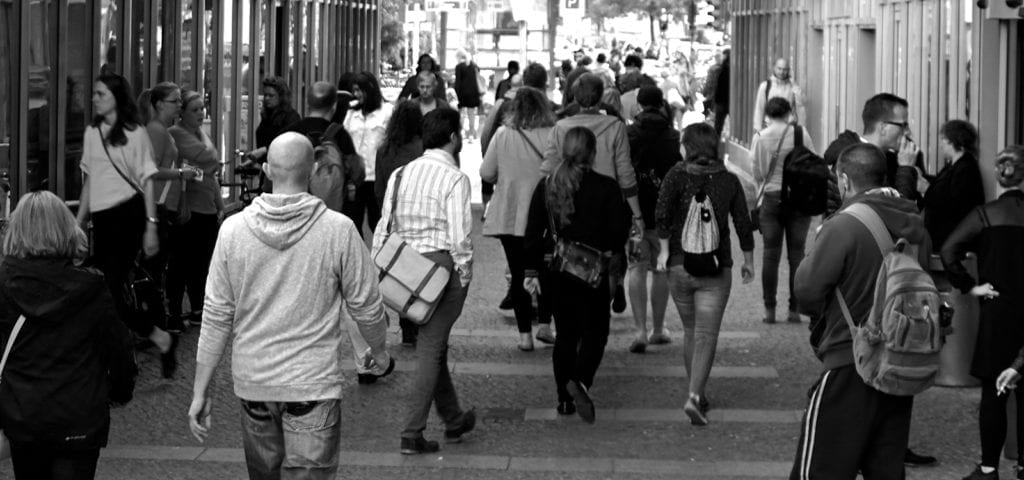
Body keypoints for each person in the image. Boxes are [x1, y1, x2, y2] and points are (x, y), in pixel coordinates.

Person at [188, 132, 393, 478]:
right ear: (312, 169)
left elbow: (217, 315)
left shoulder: (233, 231)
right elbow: (367, 307)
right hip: (312, 385)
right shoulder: (338, 231)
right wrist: (380, 351)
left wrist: (200, 391)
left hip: (255, 383)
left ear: (267, 169)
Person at [789, 143, 932, 479]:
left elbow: (807, 291)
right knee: (885, 469)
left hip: (849, 359)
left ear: (843, 180)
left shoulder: (844, 226)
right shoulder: (915, 225)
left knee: (819, 469)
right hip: (899, 365)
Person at [0, 191, 137, 480]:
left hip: (23, 418)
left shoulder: (4, 286)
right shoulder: (91, 287)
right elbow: (119, 350)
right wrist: (118, 393)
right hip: (80, 420)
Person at [372, 108, 476, 455]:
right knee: (431, 349)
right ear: (452, 137)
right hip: (439, 269)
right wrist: (464, 274)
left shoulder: (401, 173)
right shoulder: (455, 179)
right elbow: (459, 237)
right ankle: (412, 432)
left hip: (404, 267)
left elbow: (384, 225)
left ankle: (453, 418)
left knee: (435, 346)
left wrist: (378, 267)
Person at [523, 126, 631, 423]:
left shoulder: (547, 185)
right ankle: (581, 380)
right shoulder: (607, 187)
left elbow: (532, 233)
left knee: (566, 335)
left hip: (556, 272)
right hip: (593, 272)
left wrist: (530, 270)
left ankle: (564, 399)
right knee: (596, 331)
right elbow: (618, 232)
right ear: (593, 153)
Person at [76, 73, 176, 378]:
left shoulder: (136, 133)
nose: (94, 99)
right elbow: (91, 179)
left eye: (101, 94)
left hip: (129, 215)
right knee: (105, 289)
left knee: (107, 288)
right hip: (103, 219)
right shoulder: (92, 133)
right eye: (94, 93)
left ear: (117, 98)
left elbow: (146, 180)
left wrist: (150, 225)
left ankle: (116, 358)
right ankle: (158, 337)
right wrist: (79, 221)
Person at [655, 123, 755, 426]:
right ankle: (696, 396)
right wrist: (748, 259)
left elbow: (661, 214)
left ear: (689, 147)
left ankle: (695, 390)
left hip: (678, 266)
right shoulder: (729, 180)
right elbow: (742, 222)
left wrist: (662, 251)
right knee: (706, 335)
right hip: (715, 267)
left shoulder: (675, 175)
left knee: (690, 331)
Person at [941, 145, 1024, 480]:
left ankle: (989, 467)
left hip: (998, 309)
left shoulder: (985, 214)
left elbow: (949, 250)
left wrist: (969, 286)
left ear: (997, 175)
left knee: (994, 391)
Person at [543, 73, 642, 315]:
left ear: (575, 97)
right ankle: (610, 292)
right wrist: (636, 213)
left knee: (571, 252)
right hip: (607, 200)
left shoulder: (561, 127)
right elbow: (625, 170)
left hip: (568, 196)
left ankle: (575, 311)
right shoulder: (616, 127)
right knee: (610, 253)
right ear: (600, 98)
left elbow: (547, 169)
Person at [481, 87, 559, 352]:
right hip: (546, 217)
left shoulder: (503, 135)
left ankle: (524, 335)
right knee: (547, 272)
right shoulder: (553, 134)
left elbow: (486, 171)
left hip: (511, 215)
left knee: (517, 274)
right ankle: (546, 326)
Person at [626, 86, 683, 354]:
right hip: (664, 214)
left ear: (638, 105)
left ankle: (639, 330)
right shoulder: (673, 136)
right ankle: (658, 329)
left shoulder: (629, 134)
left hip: (635, 211)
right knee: (661, 270)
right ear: (661, 105)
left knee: (636, 268)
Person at [137, 82, 198, 332]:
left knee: (161, 265)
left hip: (166, 204)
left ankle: (157, 318)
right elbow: (149, 171)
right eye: (175, 101)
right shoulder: (156, 131)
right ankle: (153, 320)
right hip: (158, 206)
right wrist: (180, 173)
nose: (179, 106)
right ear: (160, 104)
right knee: (156, 266)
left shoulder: (162, 130)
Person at [749, 98, 815, 324]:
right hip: (798, 199)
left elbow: (756, 172)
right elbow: (813, 161)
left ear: (767, 115)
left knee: (770, 254)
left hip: (771, 198)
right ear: (789, 113)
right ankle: (794, 310)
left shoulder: (760, 138)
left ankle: (769, 310)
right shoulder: (800, 134)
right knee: (797, 254)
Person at [168, 90, 225, 331]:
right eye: (195, 109)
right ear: (181, 113)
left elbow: (207, 171)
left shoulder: (200, 133)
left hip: (207, 206)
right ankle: (174, 311)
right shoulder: (176, 134)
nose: (201, 113)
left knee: (202, 262)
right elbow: (196, 164)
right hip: (189, 207)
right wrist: (204, 171)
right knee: (181, 261)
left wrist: (219, 202)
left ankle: (197, 307)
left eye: (203, 108)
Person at [374, 100, 425, 347]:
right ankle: (414, 322)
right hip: (418, 218)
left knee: (398, 271)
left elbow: (379, 189)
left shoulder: (384, 150)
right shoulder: (422, 148)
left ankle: (405, 323)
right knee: (418, 272)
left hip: (394, 218)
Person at [823, 93, 921, 216]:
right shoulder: (851, 161)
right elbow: (895, 216)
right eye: (903, 125)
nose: (907, 132)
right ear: (883, 127)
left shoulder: (892, 158)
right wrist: (906, 170)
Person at [917, 120, 986, 249]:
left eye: (943, 139)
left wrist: (926, 189)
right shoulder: (955, 165)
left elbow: (952, 203)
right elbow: (942, 185)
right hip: (944, 236)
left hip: (950, 238)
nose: (941, 145)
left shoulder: (966, 168)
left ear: (952, 140)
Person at [344, 72, 394, 237]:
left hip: (376, 177)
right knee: (353, 223)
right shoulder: (351, 113)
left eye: (360, 90)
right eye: (355, 91)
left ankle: (382, 259)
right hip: (356, 178)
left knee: (378, 223)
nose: (357, 94)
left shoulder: (386, 112)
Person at [249, 77, 301, 175]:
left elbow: (290, 145)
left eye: (271, 95)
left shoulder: (291, 117)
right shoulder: (267, 117)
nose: (267, 98)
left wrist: (263, 150)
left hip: (284, 172)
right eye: (265, 95)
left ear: (281, 97)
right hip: (268, 171)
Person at [752, 58, 807, 133]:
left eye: (785, 69)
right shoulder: (765, 86)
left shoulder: (793, 87)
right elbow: (759, 108)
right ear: (774, 68)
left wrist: (794, 84)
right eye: (779, 69)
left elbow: (801, 103)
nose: (782, 72)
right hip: (770, 127)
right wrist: (758, 128)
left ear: (789, 71)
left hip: (789, 127)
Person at [454, 50, 483, 140]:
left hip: (462, 93)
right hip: (473, 93)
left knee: (461, 113)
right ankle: (471, 133)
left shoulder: (459, 67)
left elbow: (458, 82)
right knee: (471, 114)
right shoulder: (474, 66)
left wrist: (456, 94)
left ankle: (461, 132)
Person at [711, 49, 730, 137]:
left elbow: (716, 86)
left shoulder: (720, 70)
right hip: (730, 101)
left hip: (721, 101)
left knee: (718, 125)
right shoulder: (733, 70)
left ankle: (716, 143)